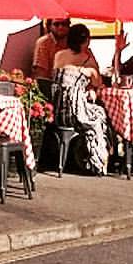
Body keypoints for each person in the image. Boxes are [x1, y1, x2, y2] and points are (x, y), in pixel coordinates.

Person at [52, 23, 109, 175]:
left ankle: (81, 153)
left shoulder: (59, 56)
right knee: (100, 114)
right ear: (86, 41)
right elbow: (98, 83)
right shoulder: (87, 61)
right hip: (75, 114)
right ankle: (98, 157)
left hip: (57, 111)